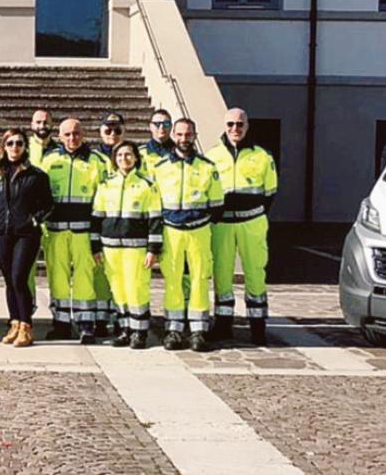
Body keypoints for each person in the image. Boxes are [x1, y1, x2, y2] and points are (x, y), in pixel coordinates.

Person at [205, 107, 279, 345]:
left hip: (252, 222)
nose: (235, 129)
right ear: (224, 126)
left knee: (255, 273)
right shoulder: (212, 156)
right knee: (222, 274)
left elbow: (270, 192)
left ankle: (258, 327)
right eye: (230, 124)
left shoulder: (263, 156)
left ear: (247, 126)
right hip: (223, 224)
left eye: (239, 124)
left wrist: (252, 214)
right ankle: (223, 325)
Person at [152, 118, 223, 352]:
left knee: (199, 279)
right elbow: (154, 204)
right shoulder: (160, 168)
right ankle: (173, 329)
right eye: (180, 134)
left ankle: (198, 330)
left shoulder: (207, 167)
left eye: (188, 134)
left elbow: (216, 204)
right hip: (171, 230)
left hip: (198, 230)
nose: (184, 139)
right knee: (172, 280)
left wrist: (199, 222)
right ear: (173, 135)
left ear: (195, 135)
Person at [40, 118, 111, 343]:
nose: (73, 138)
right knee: (57, 277)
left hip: (84, 232)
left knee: (84, 278)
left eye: (77, 133)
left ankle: (85, 323)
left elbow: (105, 198)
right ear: (60, 136)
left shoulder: (98, 161)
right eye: (68, 134)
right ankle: (60, 323)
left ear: (84, 135)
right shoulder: (49, 160)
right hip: (56, 231)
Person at [0, 127, 53, 347]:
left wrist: (34, 220)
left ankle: (26, 325)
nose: (15, 147)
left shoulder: (37, 176)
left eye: (19, 143)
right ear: (3, 146)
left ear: (25, 147)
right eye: (10, 143)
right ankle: (14, 322)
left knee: (19, 278)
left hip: (26, 234)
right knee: (8, 280)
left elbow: (49, 205)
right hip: (2, 233)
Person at [91, 141, 162, 349]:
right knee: (118, 289)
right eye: (120, 155)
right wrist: (95, 246)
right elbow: (97, 217)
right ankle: (124, 329)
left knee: (136, 289)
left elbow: (155, 220)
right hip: (111, 248)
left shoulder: (147, 185)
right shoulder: (105, 185)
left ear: (136, 158)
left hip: (136, 248)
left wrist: (153, 249)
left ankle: (139, 331)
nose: (124, 159)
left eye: (128, 155)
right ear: (114, 160)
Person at [88, 112, 127, 334]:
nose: (112, 134)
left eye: (117, 130)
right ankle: (100, 318)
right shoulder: (93, 159)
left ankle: (121, 316)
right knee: (100, 272)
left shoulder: (132, 155)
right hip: (102, 222)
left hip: (126, 224)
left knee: (123, 274)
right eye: (108, 130)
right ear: (100, 131)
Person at [140, 109, 175, 176]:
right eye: (157, 124)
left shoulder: (179, 153)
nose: (162, 127)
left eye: (166, 124)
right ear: (150, 126)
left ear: (171, 126)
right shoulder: (140, 153)